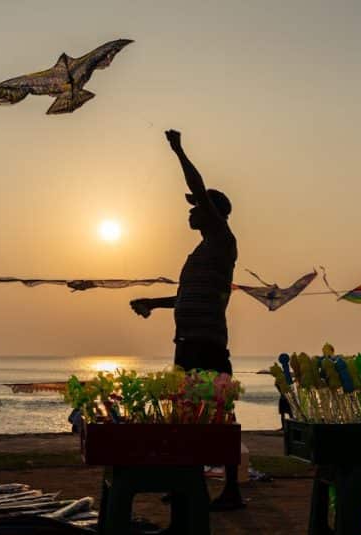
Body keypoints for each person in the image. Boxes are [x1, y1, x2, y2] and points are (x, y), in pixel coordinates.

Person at [129, 129, 245, 510]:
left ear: (213, 213)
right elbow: (185, 297)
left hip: (208, 344)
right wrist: (153, 302)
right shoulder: (199, 253)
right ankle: (188, 483)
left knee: (219, 415)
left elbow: (198, 185)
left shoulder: (221, 240)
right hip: (188, 342)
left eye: (196, 206)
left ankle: (230, 490)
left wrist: (179, 151)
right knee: (188, 414)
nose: (190, 211)